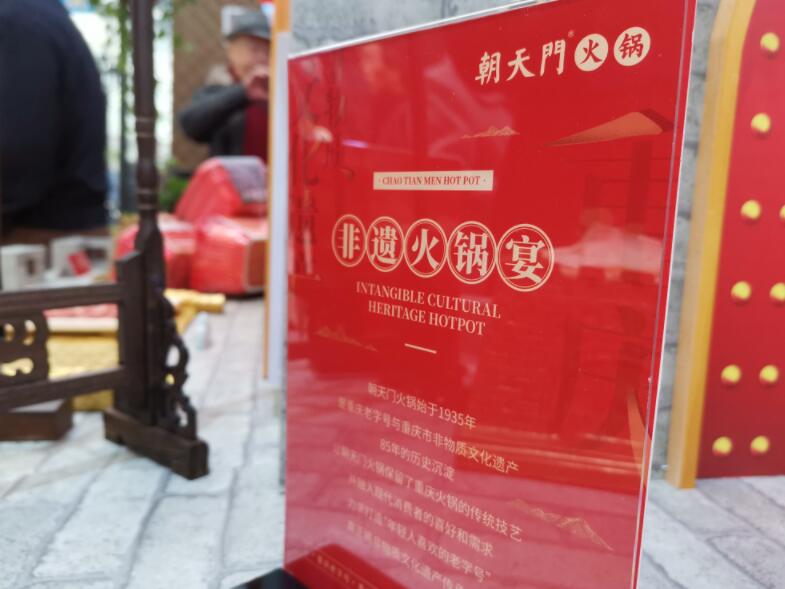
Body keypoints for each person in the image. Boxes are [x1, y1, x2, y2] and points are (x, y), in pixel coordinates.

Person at [0, 0, 108, 242]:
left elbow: (17, 145)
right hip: (63, 231)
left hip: (36, 238)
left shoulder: (14, 19)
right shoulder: (36, 14)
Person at [179, 10, 271, 163]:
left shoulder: (281, 90)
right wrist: (243, 92)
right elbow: (191, 127)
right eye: (254, 49)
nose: (262, 58)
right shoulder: (218, 87)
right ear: (232, 52)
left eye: (267, 51)